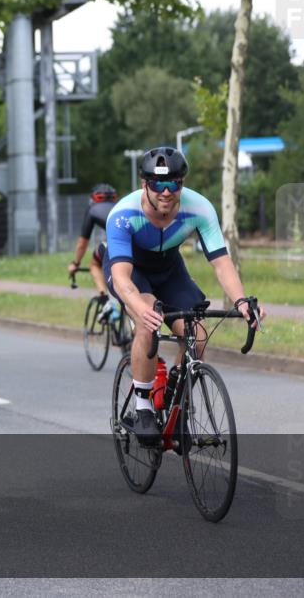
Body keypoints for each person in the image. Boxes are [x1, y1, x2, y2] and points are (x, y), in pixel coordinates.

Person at [106, 147, 265, 446]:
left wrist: (241, 301)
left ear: (182, 184)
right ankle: (143, 409)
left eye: (173, 184)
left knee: (198, 335)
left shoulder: (199, 208)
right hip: (130, 270)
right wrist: (139, 307)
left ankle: (174, 399)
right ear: (145, 185)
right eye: (157, 184)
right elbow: (122, 279)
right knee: (148, 319)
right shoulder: (123, 215)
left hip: (169, 269)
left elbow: (221, 262)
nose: (166, 192)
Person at [67, 183, 118, 299]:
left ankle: (104, 298)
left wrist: (76, 263)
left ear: (94, 199)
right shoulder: (121, 205)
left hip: (116, 247)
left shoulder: (92, 209)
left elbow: (82, 244)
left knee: (94, 264)